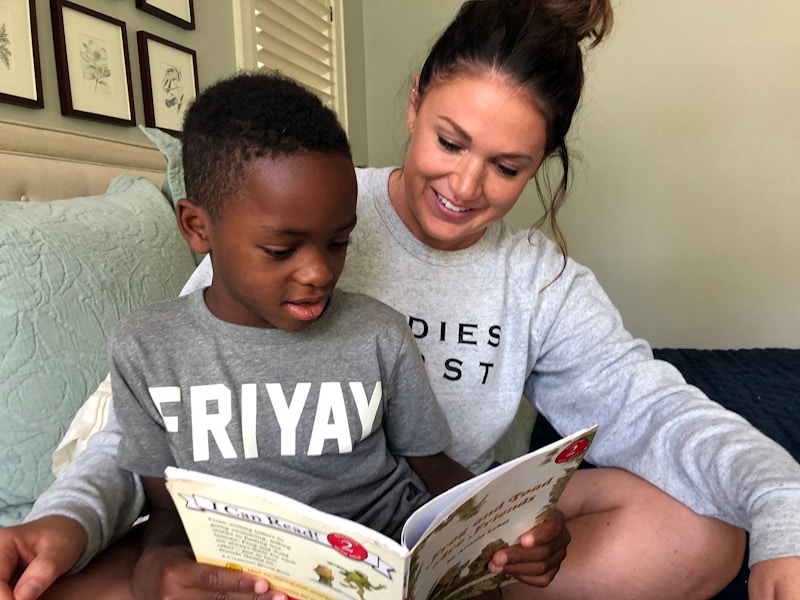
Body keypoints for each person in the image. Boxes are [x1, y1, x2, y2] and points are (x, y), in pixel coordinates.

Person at [2, 0, 800, 598]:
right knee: (54, 575)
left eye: (507, 166)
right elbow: (155, 409)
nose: (464, 186)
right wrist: (69, 520)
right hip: (258, 542)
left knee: (702, 528)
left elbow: (654, 412)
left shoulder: (538, 281)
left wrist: (779, 506)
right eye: (450, 141)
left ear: (542, 164)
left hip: (426, 531)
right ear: (415, 101)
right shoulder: (293, 206)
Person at [108, 70, 489, 599]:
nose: (318, 273)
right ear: (198, 227)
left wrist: (501, 527)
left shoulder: (378, 334)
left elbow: (432, 468)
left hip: (379, 560)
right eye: (281, 250)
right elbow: (168, 510)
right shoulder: (147, 349)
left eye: (338, 242)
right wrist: (156, 568)